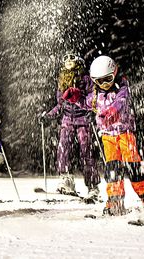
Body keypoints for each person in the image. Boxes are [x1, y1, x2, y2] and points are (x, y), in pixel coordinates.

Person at [85, 55, 144, 216]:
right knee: (112, 169)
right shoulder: (96, 94)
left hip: (125, 134)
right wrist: (76, 98)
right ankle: (115, 201)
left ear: (114, 72)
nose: (105, 84)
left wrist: (110, 112)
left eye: (108, 79)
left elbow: (120, 102)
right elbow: (87, 102)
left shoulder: (121, 87)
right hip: (107, 137)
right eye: (99, 81)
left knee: (134, 166)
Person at [42, 52, 101, 201]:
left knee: (86, 152)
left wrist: (91, 112)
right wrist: (48, 115)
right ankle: (66, 180)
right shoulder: (62, 79)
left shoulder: (86, 79)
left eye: (72, 59)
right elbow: (60, 104)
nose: (68, 61)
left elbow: (92, 98)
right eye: (66, 60)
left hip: (83, 119)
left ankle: (93, 186)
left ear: (79, 62)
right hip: (67, 119)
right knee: (63, 148)